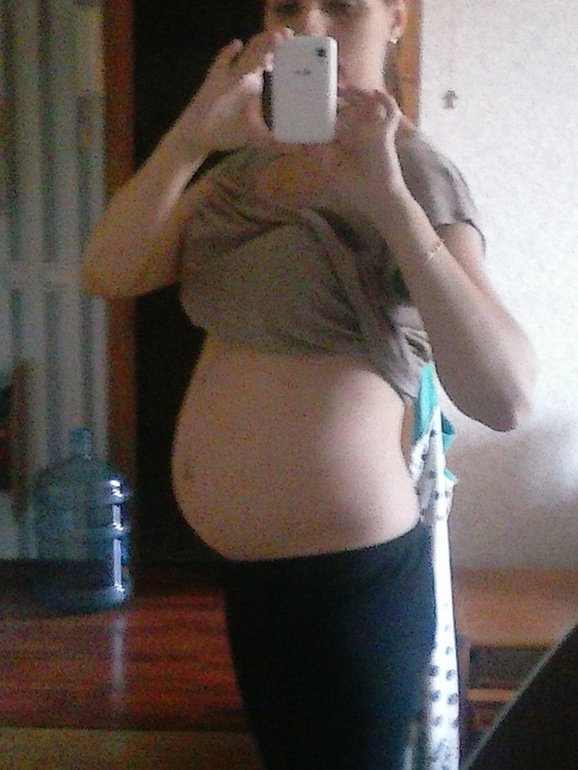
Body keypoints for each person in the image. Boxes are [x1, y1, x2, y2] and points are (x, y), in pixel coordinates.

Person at [82, 1, 538, 767]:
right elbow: (109, 270)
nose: (313, 29)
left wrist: (388, 200)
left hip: (350, 582)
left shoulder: (415, 173)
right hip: (254, 578)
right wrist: (194, 134)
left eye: (344, 7)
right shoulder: (244, 170)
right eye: (291, 7)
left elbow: (508, 396)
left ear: (396, 19)